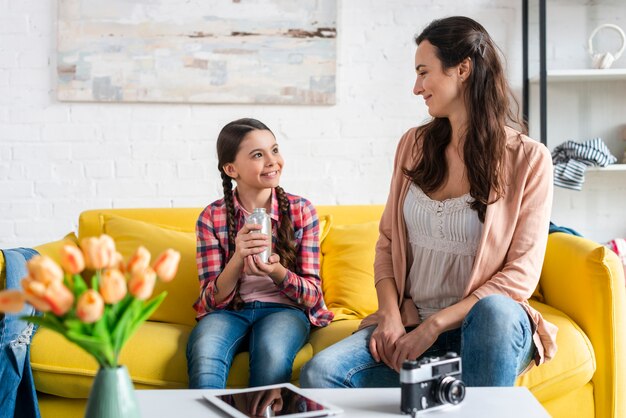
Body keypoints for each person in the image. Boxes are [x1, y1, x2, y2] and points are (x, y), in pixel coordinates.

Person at [300, 16, 557, 388]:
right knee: (320, 373)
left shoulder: (529, 159)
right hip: (411, 323)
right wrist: (390, 316)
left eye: (424, 72)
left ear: (463, 69)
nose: (416, 87)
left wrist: (434, 326)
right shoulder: (413, 146)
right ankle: (442, 383)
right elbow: (387, 242)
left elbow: (520, 275)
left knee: (496, 312)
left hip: (486, 332)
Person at [187, 118, 333, 389]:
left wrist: (277, 272)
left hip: (284, 310)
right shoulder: (211, 217)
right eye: (258, 155)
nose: (272, 161)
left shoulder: (302, 211)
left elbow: (313, 296)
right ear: (232, 169)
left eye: (274, 150)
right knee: (205, 352)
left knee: (272, 355)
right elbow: (208, 301)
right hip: (229, 311)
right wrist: (237, 259)